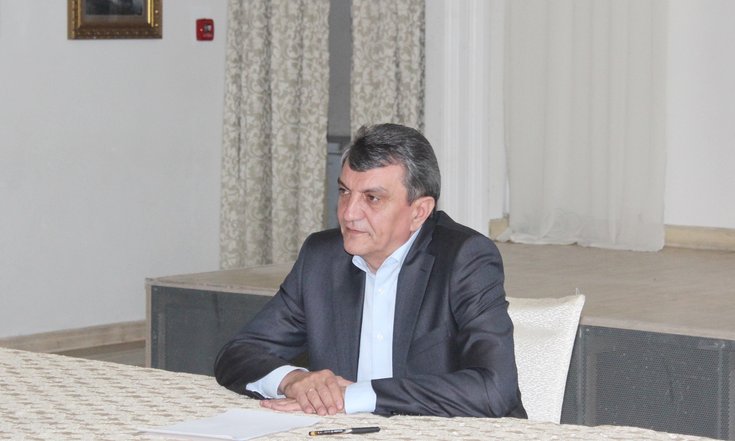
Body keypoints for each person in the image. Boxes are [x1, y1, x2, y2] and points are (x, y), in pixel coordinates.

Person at [214, 123, 527, 419]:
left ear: (419, 211)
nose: (349, 213)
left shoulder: (464, 258)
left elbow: (493, 389)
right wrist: (294, 380)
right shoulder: (322, 258)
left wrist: (357, 396)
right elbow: (238, 353)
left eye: (372, 198)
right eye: (344, 192)